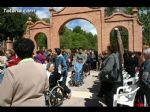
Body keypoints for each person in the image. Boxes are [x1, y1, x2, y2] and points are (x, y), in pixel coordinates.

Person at [0, 38, 49, 106]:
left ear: (16, 53)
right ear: (32, 51)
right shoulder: (42, 68)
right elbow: (46, 88)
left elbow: (3, 100)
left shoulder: (11, 71)